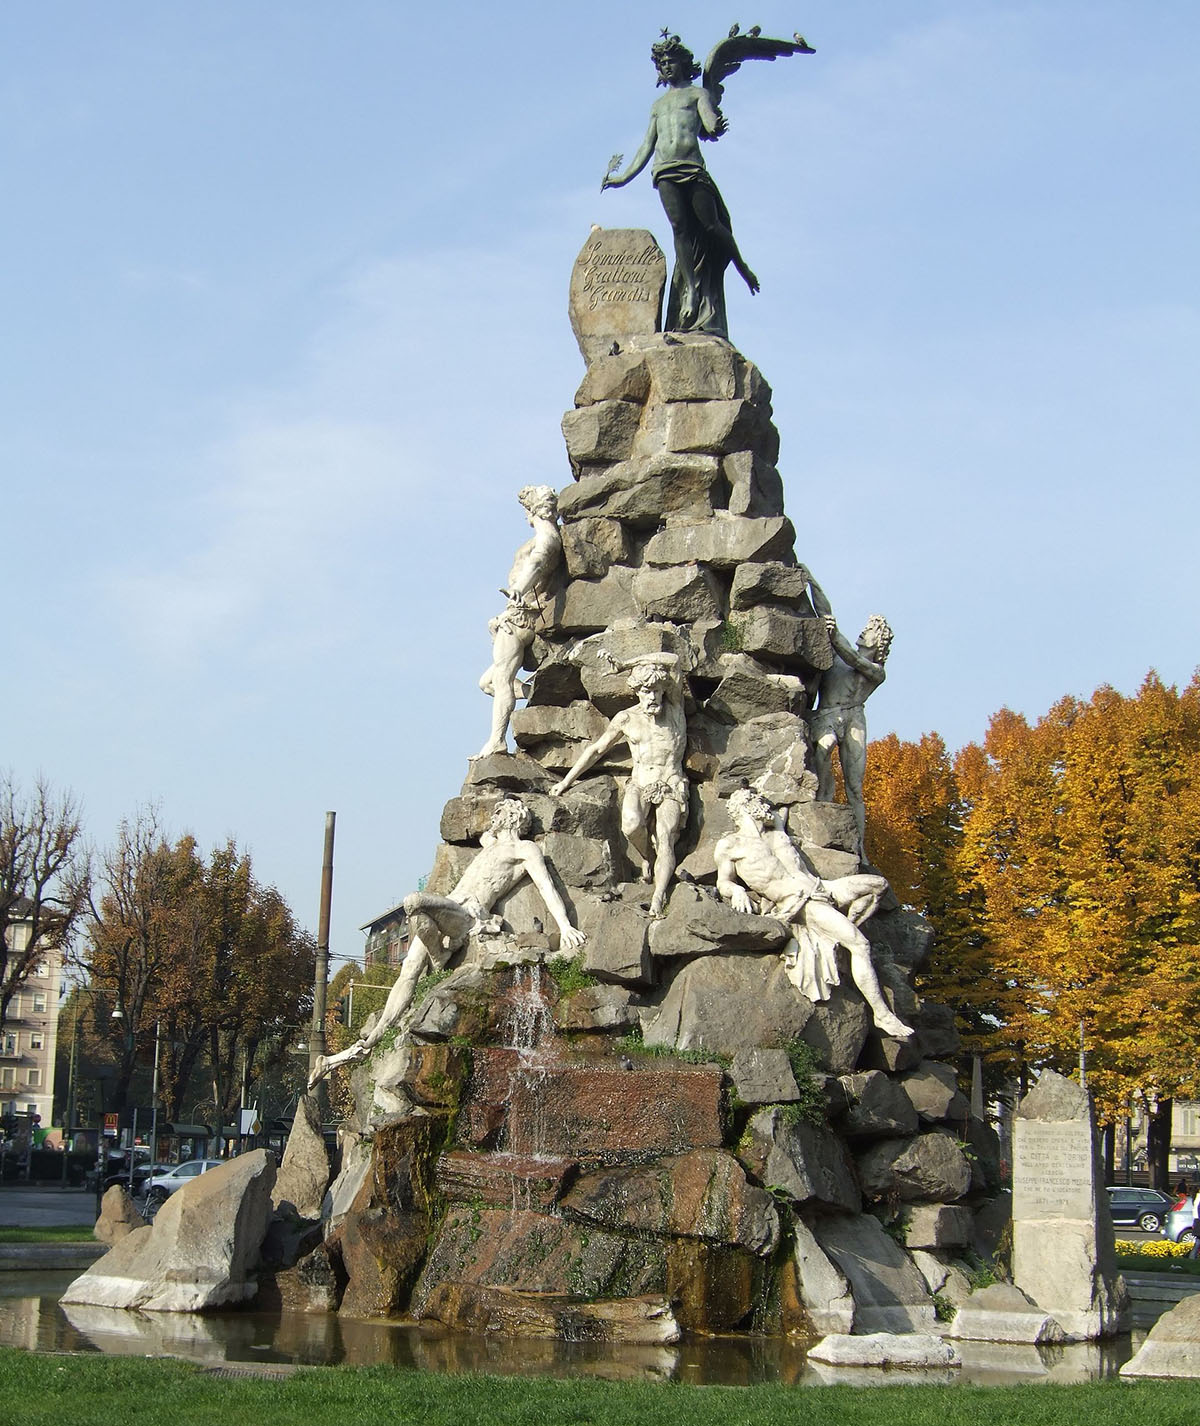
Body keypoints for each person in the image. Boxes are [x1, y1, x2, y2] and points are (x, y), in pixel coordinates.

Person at [308, 798, 585, 1088]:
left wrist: (565, 926)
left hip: (466, 914)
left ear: (509, 818)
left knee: (413, 903)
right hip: (449, 906)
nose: (493, 819)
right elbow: (481, 830)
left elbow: (546, 886)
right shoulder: (490, 843)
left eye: (498, 814)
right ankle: (362, 1044)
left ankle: (440, 955)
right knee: (410, 969)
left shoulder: (524, 849)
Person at [714, 787, 912, 1039]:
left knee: (877, 886)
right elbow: (723, 882)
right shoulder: (731, 845)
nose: (764, 805)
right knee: (860, 945)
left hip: (822, 888)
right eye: (757, 800)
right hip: (801, 901)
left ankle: (837, 935)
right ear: (744, 805)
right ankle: (882, 1015)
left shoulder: (777, 834)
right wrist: (736, 892)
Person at [602, 33, 759, 338]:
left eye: (670, 61)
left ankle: (742, 267)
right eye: (662, 63)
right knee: (680, 230)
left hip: (692, 168)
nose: (666, 66)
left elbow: (709, 120)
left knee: (711, 225)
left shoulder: (697, 94)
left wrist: (715, 126)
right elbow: (647, 145)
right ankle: (692, 291)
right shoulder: (658, 106)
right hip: (664, 170)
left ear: (684, 63)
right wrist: (623, 178)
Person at [551, 653, 688, 918]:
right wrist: (566, 782)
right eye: (647, 691)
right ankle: (647, 857)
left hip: (670, 783)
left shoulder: (675, 709)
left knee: (666, 837)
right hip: (639, 783)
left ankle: (658, 897)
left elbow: (672, 660)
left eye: (657, 691)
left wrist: (627, 662)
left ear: (664, 690)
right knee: (630, 825)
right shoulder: (626, 718)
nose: (652, 698)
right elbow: (597, 750)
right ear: (637, 691)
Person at [805, 570, 893, 859]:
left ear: (877, 643)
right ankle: (824, 800)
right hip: (827, 716)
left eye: (868, 631)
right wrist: (811, 581)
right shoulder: (836, 659)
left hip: (854, 718)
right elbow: (825, 612)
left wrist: (834, 634)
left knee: (855, 786)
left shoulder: (875, 672)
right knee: (823, 747)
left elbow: (853, 658)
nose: (862, 632)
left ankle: (861, 850)